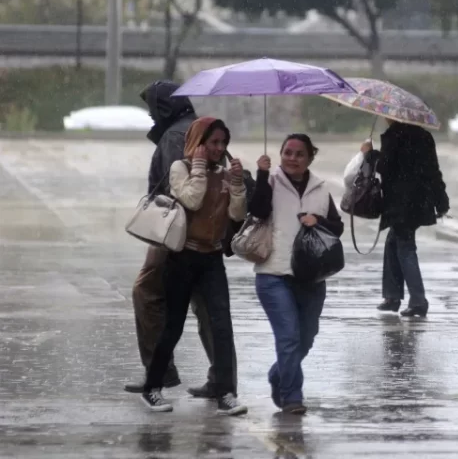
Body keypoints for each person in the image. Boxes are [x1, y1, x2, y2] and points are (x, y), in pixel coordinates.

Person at [126, 81, 236, 399]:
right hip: (197, 236)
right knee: (208, 310)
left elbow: (186, 193)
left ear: (163, 107)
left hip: (180, 235)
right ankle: (221, 380)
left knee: (148, 293)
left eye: (152, 108)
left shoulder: (177, 135)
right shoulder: (191, 127)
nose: (149, 115)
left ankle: (161, 372)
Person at [140, 117, 247, 416]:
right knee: (173, 326)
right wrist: (199, 168)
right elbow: (192, 201)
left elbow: (237, 215)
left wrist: (237, 184)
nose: (218, 148)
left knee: (222, 327)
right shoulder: (181, 168)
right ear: (197, 142)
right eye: (212, 142)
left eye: (223, 143)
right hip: (182, 258)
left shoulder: (225, 175)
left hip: (212, 259)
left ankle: (226, 393)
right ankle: (152, 387)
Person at [249, 134, 344, 415]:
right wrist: (262, 172)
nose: (292, 158)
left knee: (307, 336)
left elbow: (336, 228)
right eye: (287, 152)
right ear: (280, 154)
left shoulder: (320, 189)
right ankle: (292, 396)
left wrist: (319, 221)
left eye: (299, 154)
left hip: (311, 277)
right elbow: (256, 212)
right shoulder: (269, 181)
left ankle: (278, 375)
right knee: (288, 337)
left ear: (309, 158)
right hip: (273, 273)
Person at [362, 120, 449, 317]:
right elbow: (434, 171)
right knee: (394, 241)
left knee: (405, 247)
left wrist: (370, 153)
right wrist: (441, 202)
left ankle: (418, 301)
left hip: (400, 204)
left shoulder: (393, 136)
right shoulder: (425, 136)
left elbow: (385, 167)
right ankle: (392, 297)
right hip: (419, 203)